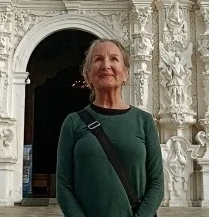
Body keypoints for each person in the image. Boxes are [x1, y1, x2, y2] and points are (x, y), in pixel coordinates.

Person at [57, 39, 164, 217]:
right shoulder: (73, 122)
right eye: (98, 59)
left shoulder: (144, 121)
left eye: (114, 59)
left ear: (126, 73)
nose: (106, 65)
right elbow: (63, 186)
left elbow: (157, 184)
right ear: (87, 74)